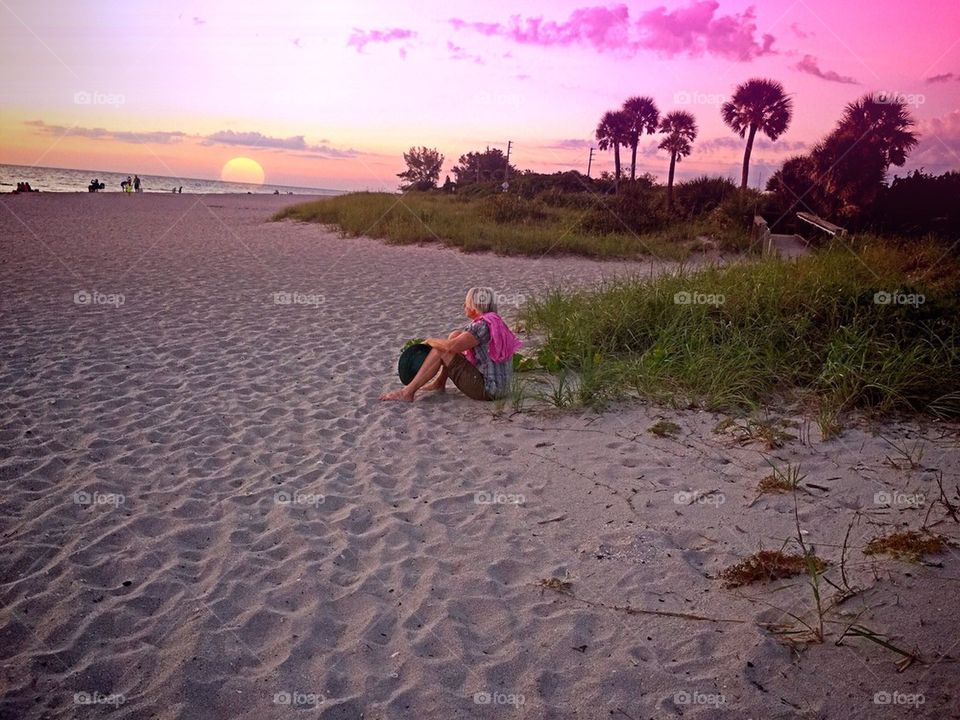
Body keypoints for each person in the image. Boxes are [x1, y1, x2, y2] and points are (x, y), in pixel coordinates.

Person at [380, 287, 521, 403]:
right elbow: (457, 341)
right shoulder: (494, 322)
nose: (464, 306)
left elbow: (450, 347)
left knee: (441, 350)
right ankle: (439, 383)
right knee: (455, 335)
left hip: (489, 390)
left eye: (466, 303)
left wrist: (429, 341)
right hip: (503, 388)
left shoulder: (481, 326)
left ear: (474, 306)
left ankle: (407, 392)